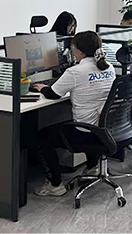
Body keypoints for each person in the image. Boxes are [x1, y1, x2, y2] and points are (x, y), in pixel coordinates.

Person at [33, 31, 116, 196]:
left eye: (73, 47)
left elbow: (53, 94)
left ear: (80, 51)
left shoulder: (75, 72)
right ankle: (92, 167)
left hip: (85, 132)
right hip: (107, 128)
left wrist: (42, 88)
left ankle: (55, 185)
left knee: (42, 136)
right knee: (85, 119)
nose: (72, 50)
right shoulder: (109, 67)